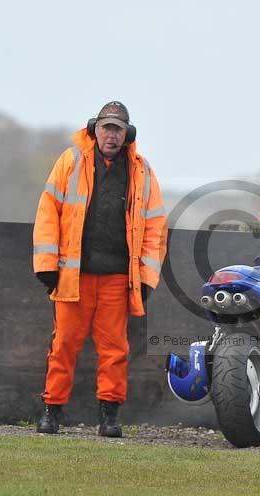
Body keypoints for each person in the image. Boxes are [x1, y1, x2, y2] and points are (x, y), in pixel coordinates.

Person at [32, 101, 167, 437]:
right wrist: (47, 266)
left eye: (117, 129)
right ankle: (52, 412)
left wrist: (146, 279)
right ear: (95, 129)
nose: (111, 135)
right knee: (63, 345)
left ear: (127, 134)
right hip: (72, 275)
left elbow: (154, 230)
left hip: (116, 280)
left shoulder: (142, 172)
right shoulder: (70, 161)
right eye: (106, 128)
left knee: (114, 350)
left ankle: (109, 417)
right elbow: (48, 213)